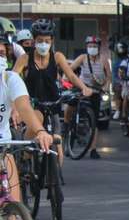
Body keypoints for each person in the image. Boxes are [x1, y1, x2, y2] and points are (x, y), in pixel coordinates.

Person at [0, 35, 54, 220]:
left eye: (2, 51)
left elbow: (24, 106)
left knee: (12, 210)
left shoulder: (9, 79)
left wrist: (40, 130)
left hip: (2, 149)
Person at [12, 19, 93, 164]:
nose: (44, 44)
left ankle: (54, 183)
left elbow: (71, 75)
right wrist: (15, 107)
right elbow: (13, 78)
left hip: (53, 103)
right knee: (34, 130)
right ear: (34, 40)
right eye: (40, 40)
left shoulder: (57, 57)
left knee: (58, 147)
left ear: (52, 41)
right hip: (33, 103)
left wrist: (84, 87)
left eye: (47, 41)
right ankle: (24, 160)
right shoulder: (25, 58)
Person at [70, 35, 112, 159]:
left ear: (98, 48)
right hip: (82, 88)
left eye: (94, 46)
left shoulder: (104, 60)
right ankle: (70, 131)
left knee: (95, 122)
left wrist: (105, 86)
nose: (92, 48)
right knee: (71, 108)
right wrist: (73, 80)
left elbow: (109, 76)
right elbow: (70, 70)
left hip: (96, 91)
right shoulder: (82, 58)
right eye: (89, 46)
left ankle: (93, 149)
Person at [111, 41, 128, 118]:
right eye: (119, 49)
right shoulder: (116, 61)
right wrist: (119, 82)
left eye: (122, 48)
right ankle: (118, 110)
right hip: (118, 82)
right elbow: (114, 75)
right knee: (117, 91)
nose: (121, 50)